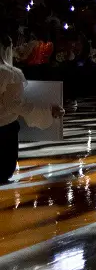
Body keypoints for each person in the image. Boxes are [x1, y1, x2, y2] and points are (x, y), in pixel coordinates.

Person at [1, 31, 63, 185]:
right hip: (3, 130)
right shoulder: (10, 74)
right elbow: (15, 104)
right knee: (3, 171)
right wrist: (48, 111)